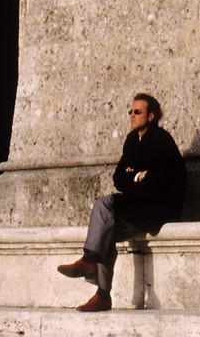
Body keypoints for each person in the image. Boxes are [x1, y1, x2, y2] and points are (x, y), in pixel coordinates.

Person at [57, 92, 185, 311]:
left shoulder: (161, 141)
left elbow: (163, 179)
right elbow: (118, 178)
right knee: (105, 226)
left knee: (104, 205)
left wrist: (135, 178)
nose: (132, 115)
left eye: (137, 112)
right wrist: (137, 176)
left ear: (151, 116)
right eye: (130, 111)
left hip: (157, 210)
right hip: (136, 207)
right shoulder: (131, 140)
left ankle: (93, 271)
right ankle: (101, 292)